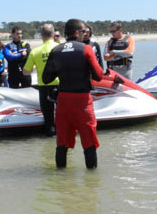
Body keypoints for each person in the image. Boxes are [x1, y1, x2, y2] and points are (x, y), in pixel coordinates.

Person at [42, 19, 104, 169]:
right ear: (77, 33)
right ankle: (91, 183)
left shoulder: (56, 50)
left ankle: (60, 179)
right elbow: (99, 75)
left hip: (63, 101)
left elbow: (46, 78)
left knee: (62, 142)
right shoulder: (86, 49)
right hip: (82, 101)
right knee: (89, 142)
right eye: (84, 32)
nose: (85, 34)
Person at [23, 24, 60, 136]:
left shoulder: (35, 51)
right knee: (63, 115)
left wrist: (36, 67)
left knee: (48, 119)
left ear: (41, 36)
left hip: (44, 87)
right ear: (53, 34)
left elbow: (25, 72)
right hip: (60, 86)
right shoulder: (61, 48)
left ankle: (50, 145)